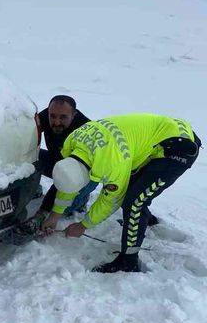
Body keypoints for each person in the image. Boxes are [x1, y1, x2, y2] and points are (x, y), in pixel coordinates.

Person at [41, 113, 201, 272]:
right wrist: (55, 214)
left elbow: (111, 200)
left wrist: (83, 225)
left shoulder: (112, 162)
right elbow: (69, 180)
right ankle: (143, 220)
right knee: (132, 188)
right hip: (158, 135)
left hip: (178, 147)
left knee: (134, 202)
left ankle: (128, 261)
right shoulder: (71, 144)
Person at [18, 95, 95, 233]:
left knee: (62, 206)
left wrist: (42, 214)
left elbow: (66, 177)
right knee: (25, 157)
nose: (56, 122)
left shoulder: (84, 134)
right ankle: (33, 187)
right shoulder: (47, 116)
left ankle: (80, 201)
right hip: (56, 161)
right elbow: (24, 135)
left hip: (85, 174)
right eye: (52, 116)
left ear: (74, 115)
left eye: (63, 117)